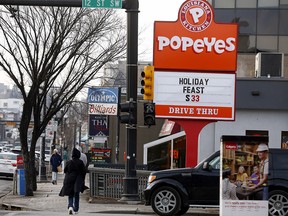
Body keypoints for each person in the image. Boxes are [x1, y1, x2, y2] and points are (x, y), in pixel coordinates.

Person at [59, 148, 86, 215]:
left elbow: (65, 170)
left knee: (70, 194)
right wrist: (82, 180)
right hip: (77, 179)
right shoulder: (80, 162)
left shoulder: (69, 162)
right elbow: (84, 172)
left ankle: (70, 206)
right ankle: (76, 209)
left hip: (69, 179)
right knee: (76, 194)